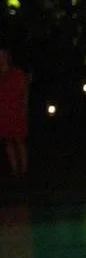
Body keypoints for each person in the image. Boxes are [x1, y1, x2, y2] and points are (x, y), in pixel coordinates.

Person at [0, 48, 28, 180]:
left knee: (19, 140)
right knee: (8, 141)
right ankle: (15, 170)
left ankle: (24, 169)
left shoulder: (17, 73)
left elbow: (24, 91)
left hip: (16, 109)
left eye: (3, 56)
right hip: (3, 110)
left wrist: (24, 107)